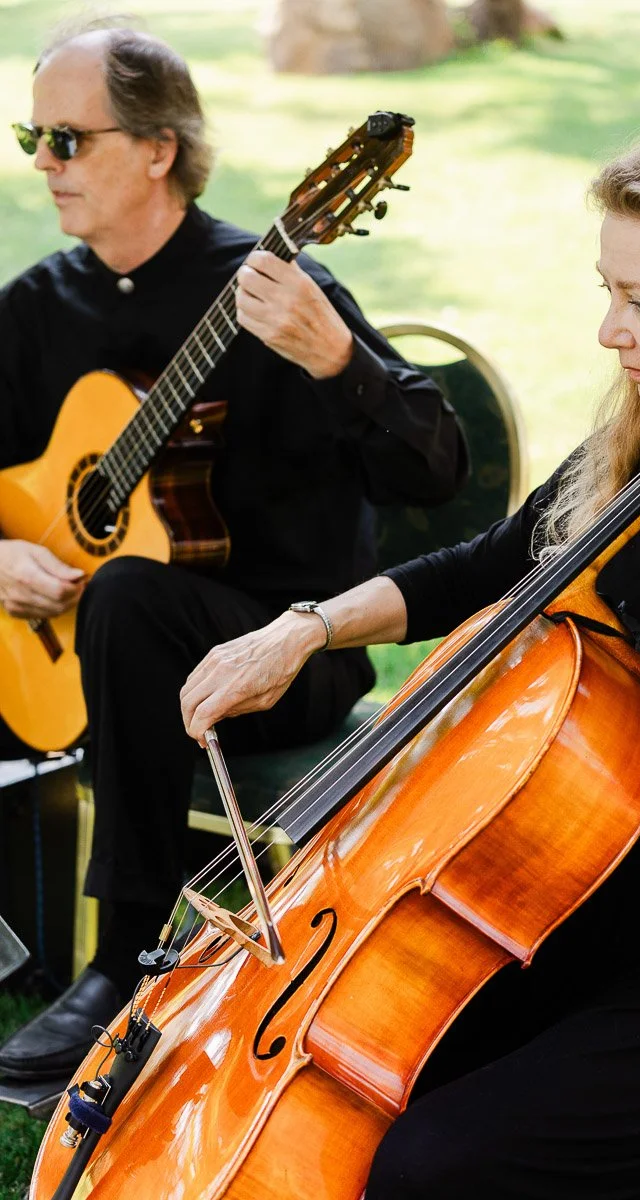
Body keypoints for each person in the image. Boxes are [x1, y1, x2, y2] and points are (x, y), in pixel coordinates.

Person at [181, 124, 640, 1198]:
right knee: (376, 1084)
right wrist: (304, 629)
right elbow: (487, 567)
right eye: (605, 291)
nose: (609, 332)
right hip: (582, 891)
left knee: (436, 1164)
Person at [0, 20, 467, 1082]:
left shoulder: (264, 292)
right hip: (95, 650)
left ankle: (121, 967)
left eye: (67, 140)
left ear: (157, 148)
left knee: (126, 593)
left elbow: (435, 471)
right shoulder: (37, 309)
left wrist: (338, 358)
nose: (41, 163)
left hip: (289, 651)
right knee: (118, 598)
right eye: (35, 136)